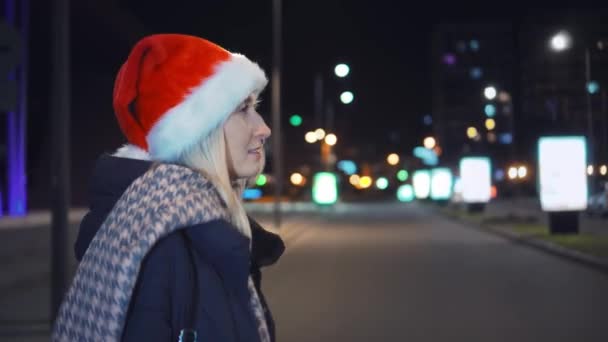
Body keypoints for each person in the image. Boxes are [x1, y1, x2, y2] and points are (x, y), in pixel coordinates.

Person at [52, 34, 285, 342]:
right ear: (198, 131)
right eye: (243, 109)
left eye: (255, 107)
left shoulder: (182, 228)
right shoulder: (165, 247)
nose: (263, 128)